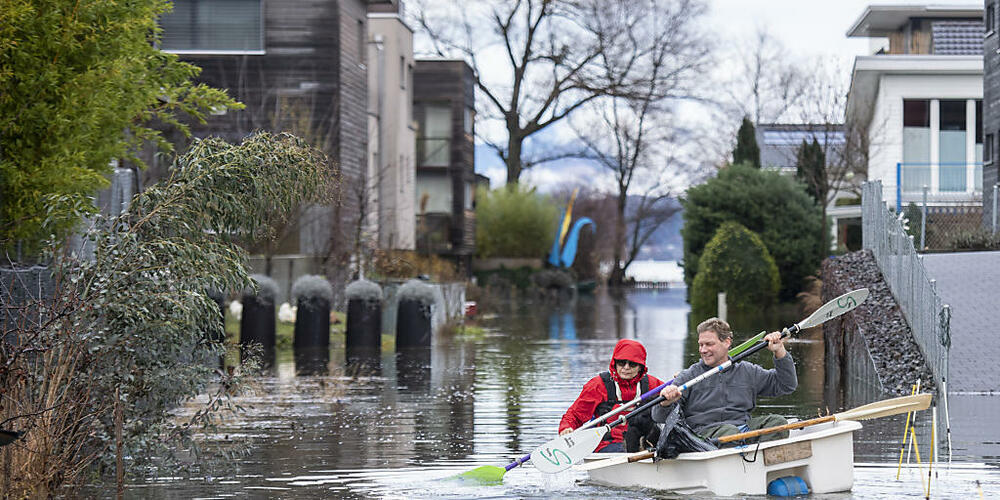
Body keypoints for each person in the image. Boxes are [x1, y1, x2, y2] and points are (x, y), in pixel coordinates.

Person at [652, 317, 797, 443]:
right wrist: (665, 403)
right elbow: (658, 417)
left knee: (778, 423)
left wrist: (780, 351)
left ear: (727, 342)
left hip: (742, 429)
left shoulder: (748, 371)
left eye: (709, 344)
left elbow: (786, 385)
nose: (703, 350)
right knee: (729, 433)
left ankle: (753, 460)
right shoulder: (689, 375)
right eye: (701, 345)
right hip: (704, 435)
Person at [559, 339, 665, 453]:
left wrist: (677, 386)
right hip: (609, 445)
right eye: (621, 362)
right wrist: (566, 428)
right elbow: (575, 415)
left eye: (632, 364)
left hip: (646, 442)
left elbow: (677, 400)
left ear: (640, 366)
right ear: (614, 363)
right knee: (623, 450)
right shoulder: (597, 386)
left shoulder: (654, 385)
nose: (626, 367)